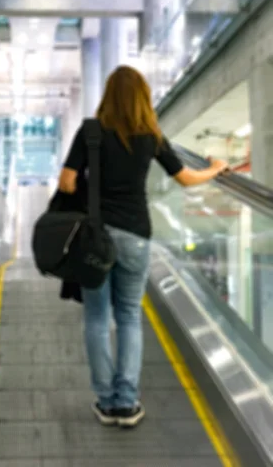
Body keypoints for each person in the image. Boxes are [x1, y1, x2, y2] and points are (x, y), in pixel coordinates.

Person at [58, 66, 228, 429]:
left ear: (108, 95)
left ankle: (106, 402)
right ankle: (127, 402)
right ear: (142, 98)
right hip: (136, 235)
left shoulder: (90, 131)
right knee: (130, 316)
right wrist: (214, 168)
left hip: (95, 239)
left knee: (97, 319)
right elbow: (186, 178)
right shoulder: (150, 136)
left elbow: (67, 183)